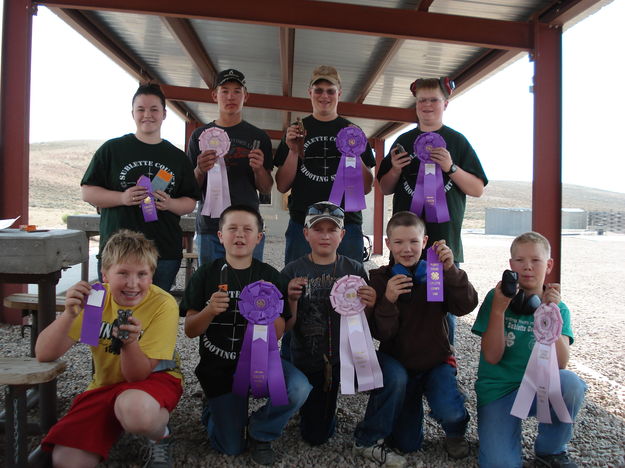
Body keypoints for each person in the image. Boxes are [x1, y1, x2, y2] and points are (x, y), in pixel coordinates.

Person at [36, 230, 183, 468]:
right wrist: (68, 315)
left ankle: (160, 435)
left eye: (142, 274)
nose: (133, 283)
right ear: (105, 275)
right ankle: (113, 425)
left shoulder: (161, 304)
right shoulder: (96, 300)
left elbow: (137, 376)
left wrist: (130, 343)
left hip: (153, 380)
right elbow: (45, 353)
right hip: (106, 385)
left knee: (136, 412)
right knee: (66, 461)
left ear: (152, 275)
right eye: (122, 273)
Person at [180, 205, 311, 466]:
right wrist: (209, 311)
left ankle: (262, 431)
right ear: (220, 236)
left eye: (248, 229)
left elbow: (279, 334)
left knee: (298, 387)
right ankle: (213, 409)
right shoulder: (205, 275)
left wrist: (271, 314)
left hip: (260, 364)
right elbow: (191, 330)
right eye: (232, 229)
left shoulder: (269, 277)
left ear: (258, 238)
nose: (240, 235)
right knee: (230, 447)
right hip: (218, 367)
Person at [352, 211, 476, 466]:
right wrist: (388, 300)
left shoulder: (436, 274)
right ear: (388, 244)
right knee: (408, 444)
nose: (407, 249)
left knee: (450, 411)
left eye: (413, 242)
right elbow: (382, 334)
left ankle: (455, 429)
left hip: (435, 362)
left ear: (425, 241)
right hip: (400, 365)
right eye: (398, 242)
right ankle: (386, 420)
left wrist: (450, 270)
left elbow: (466, 306)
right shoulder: (379, 278)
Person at [376, 77, 488, 345]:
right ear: (415, 105)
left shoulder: (457, 142)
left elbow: (477, 189)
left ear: (445, 104)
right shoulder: (402, 140)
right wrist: (394, 169)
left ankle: (443, 369)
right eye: (422, 100)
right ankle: (403, 365)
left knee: (442, 311)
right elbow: (385, 187)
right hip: (405, 246)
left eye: (433, 100)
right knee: (404, 306)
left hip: (441, 247)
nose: (427, 105)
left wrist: (451, 167)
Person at [471, 232, 587, 468]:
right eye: (520, 261)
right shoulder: (497, 298)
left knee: (571, 383)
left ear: (549, 264)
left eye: (535, 260)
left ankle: (551, 450)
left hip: (539, 389)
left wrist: (550, 315)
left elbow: (561, 364)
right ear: (511, 265)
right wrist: (498, 311)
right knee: (499, 464)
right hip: (499, 392)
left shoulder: (558, 307)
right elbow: (492, 357)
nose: (528, 268)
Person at [81, 83, 201, 292]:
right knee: (115, 316)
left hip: (163, 253)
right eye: (141, 109)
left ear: (164, 114)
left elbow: (190, 202)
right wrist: (122, 198)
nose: (148, 115)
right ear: (133, 113)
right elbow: (88, 192)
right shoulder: (112, 149)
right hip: (117, 253)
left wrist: (170, 203)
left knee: (153, 315)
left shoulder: (177, 157)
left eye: (154, 109)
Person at [282, 201, 377, 446]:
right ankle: (311, 405)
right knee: (314, 436)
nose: (325, 236)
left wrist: (372, 303)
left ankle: (339, 408)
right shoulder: (291, 271)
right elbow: (285, 328)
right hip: (306, 360)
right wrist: (291, 300)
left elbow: (367, 322)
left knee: (319, 432)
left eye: (332, 230)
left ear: (342, 234)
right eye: (317, 229)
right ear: (305, 233)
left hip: (343, 360)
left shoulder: (355, 269)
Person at [274, 65, 376, 265]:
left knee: (348, 290)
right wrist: (294, 151)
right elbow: (282, 185)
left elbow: (365, 187)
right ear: (309, 92)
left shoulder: (354, 132)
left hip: (347, 225)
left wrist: (355, 154)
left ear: (339, 93)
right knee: (298, 290)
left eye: (330, 91)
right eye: (318, 90)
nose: (324, 96)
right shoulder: (294, 131)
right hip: (302, 224)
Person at [187, 69, 273, 266]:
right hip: (210, 228)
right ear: (214, 95)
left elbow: (266, 188)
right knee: (210, 289)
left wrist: (259, 169)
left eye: (237, 91)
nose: (230, 97)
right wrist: (200, 169)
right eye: (225, 91)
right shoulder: (199, 135)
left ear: (246, 96)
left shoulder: (259, 137)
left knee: (248, 289)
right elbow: (190, 188)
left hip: (249, 227)